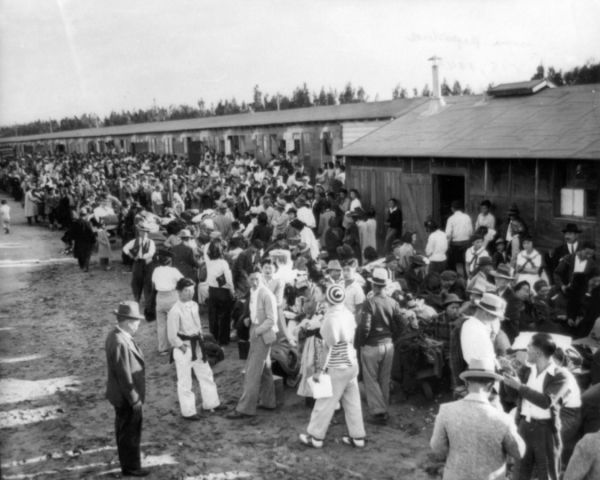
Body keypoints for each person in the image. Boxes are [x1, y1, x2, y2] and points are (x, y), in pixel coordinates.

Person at [430, 358, 525, 480]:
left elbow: (437, 448)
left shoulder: (446, 411)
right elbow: (519, 452)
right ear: (491, 385)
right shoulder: (503, 419)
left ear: (466, 383)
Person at [299, 284, 366, 448]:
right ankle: (358, 437)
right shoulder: (348, 314)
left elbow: (328, 347)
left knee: (324, 403)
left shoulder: (330, 319)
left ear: (329, 299)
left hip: (337, 365)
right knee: (353, 402)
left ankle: (315, 437)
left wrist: (319, 371)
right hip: (351, 361)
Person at [502, 333, 571, 480]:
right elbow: (514, 396)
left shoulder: (560, 375)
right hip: (524, 426)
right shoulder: (527, 371)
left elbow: (546, 402)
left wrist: (519, 386)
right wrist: (508, 376)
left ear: (538, 352)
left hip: (545, 430)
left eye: (529, 347)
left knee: (547, 474)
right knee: (520, 473)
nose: (526, 350)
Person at [167, 278, 225, 420]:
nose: (190, 293)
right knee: (185, 380)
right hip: (184, 347)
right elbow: (172, 336)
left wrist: (200, 339)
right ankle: (188, 412)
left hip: (198, 345)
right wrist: (182, 347)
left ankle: (211, 403)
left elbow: (198, 325)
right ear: (179, 292)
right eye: (186, 291)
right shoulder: (174, 311)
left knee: (206, 373)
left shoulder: (194, 305)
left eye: (192, 290)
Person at [357, 267, 408, 425]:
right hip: (388, 346)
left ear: (373, 285)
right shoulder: (393, 302)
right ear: (385, 285)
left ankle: (379, 413)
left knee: (371, 380)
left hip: (372, 346)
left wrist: (358, 343)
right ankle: (384, 410)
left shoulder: (369, 303)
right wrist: (392, 337)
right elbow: (402, 324)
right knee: (384, 380)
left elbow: (365, 327)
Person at [105, 301, 149, 477]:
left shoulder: (117, 336)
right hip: (126, 397)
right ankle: (130, 468)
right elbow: (124, 375)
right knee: (129, 432)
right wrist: (134, 399)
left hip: (121, 395)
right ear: (127, 321)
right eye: (136, 321)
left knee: (126, 430)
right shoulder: (119, 341)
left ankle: (129, 463)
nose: (138, 324)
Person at [227, 272, 277, 419]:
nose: (254, 282)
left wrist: (257, 330)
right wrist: (249, 320)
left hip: (262, 334)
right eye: (251, 279)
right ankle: (269, 402)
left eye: (257, 279)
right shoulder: (253, 293)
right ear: (248, 280)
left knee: (252, 371)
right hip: (255, 331)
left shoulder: (266, 294)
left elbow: (272, 319)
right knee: (265, 369)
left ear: (261, 279)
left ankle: (244, 408)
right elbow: (254, 311)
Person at [553, 242, 600, 334]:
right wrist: (562, 285)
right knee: (562, 317)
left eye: (591, 254)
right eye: (587, 253)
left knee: (575, 319)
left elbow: (596, 278)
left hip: (580, 295)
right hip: (565, 292)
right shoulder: (568, 259)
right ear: (581, 250)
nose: (589, 256)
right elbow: (557, 273)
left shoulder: (592, 264)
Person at [151, 250, 183, 355]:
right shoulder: (174, 271)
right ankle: (176, 345)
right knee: (175, 322)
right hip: (172, 296)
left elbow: (153, 284)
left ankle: (163, 348)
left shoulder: (156, 270)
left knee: (161, 324)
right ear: (169, 261)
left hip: (160, 296)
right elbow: (183, 281)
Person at [205, 240, 235, 345]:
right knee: (224, 316)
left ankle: (213, 337)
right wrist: (232, 291)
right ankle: (223, 339)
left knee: (213, 316)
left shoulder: (208, 263)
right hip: (223, 291)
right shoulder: (223, 263)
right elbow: (228, 279)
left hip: (212, 290)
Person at [122, 223, 156, 303]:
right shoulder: (134, 241)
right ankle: (137, 298)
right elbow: (125, 248)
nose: (143, 233)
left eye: (145, 232)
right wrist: (131, 255)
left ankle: (148, 299)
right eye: (141, 232)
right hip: (138, 263)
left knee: (148, 281)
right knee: (136, 281)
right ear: (139, 232)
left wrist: (140, 257)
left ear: (148, 233)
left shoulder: (151, 242)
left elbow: (151, 253)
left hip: (148, 263)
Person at [445, 201, 473, 278]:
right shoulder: (467, 217)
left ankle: (458, 278)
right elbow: (471, 232)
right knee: (466, 262)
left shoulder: (451, 219)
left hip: (455, 244)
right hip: (466, 243)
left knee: (455, 263)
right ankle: (467, 279)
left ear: (452, 209)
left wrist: (447, 246)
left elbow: (448, 234)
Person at [66, 207, 97, 272]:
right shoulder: (87, 223)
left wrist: (71, 240)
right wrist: (94, 240)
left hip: (78, 241)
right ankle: (86, 267)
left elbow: (71, 232)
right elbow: (90, 232)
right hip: (87, 241)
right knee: (87, 254)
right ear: (86, 215)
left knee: (80, 254)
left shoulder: (75, 222)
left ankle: (81, 266)